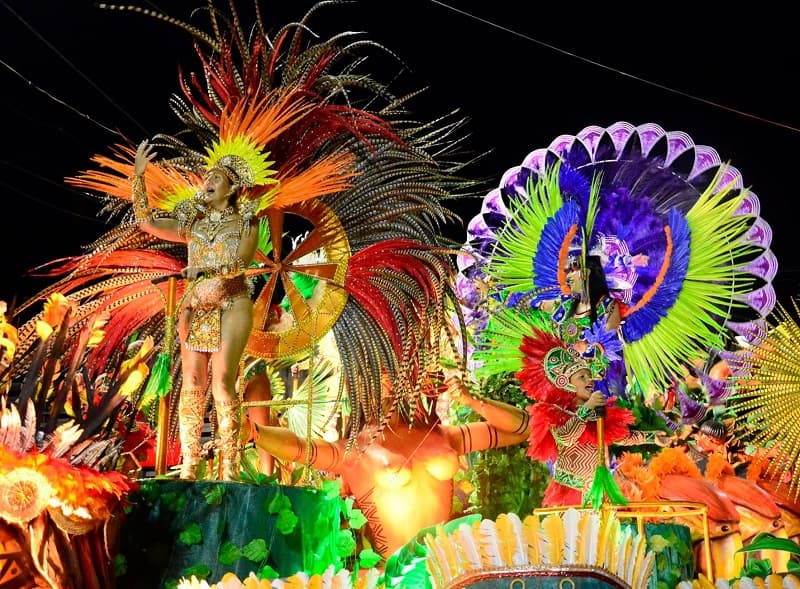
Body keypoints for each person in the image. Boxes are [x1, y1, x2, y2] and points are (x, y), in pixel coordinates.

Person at [253, 372, 530, 559]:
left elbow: (523, 428)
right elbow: (299, 449)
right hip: (394, 574)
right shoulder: (351, 451)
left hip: (448, 567)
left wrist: (472, 400)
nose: (386, 378)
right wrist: (255, 433)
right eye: (376, 370)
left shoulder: (443, 435)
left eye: (393, 368)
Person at [133, 139, 261, 481]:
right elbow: (146, 222)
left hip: (232, 301)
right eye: (206, 176)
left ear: (231, 188)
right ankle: (190, 464)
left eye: (216, 177)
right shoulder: (194, 225)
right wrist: (139, 178)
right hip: (197, 305)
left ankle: (229, 466)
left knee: (221, 382)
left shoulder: (247, 220)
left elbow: (241, 262)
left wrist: (207, 269)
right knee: (191, 381)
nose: (207, 180)